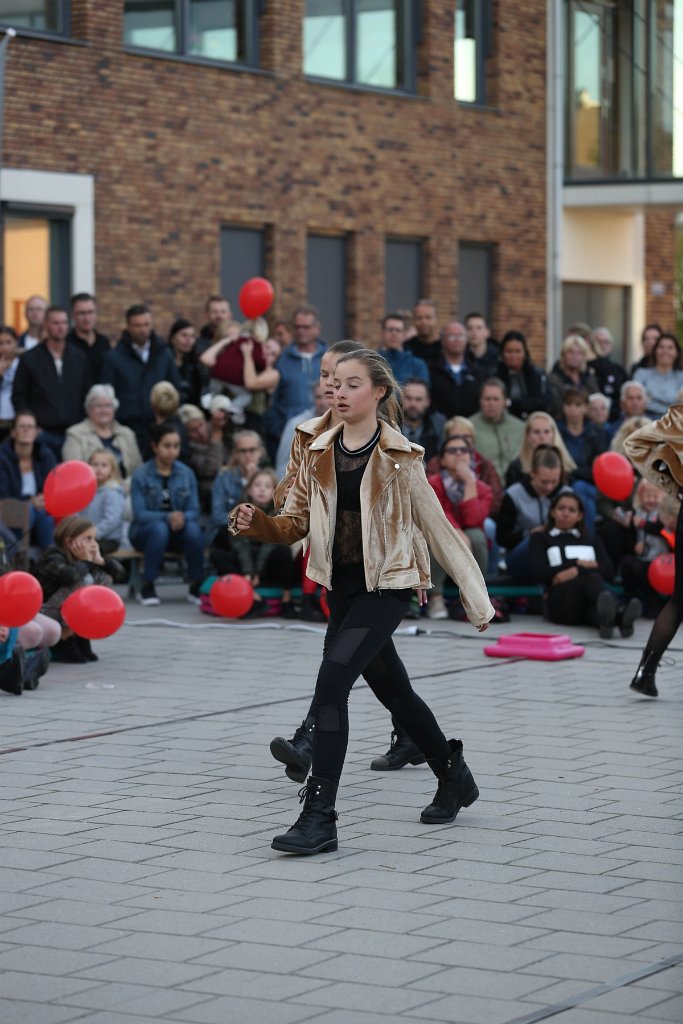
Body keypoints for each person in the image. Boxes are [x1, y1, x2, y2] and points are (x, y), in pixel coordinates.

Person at [230, 348, 494, 855]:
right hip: (343, 588)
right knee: (394, 691)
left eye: (352, 384)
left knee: (331, 687)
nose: (339, 391)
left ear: (378, 393)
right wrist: (259, 523)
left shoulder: (402, 457)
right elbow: (295, 523)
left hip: (389, 587)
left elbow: (440, 530)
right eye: (335, 382)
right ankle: (453, 774)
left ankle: (319, 817)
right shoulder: (316, 449)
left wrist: (475, 599)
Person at [624, 405, 683, 697]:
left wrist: (673, 486)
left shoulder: (680, 416)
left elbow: (634, 443)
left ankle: (644, 672)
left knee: (678, 601)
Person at [529, 491, 640, 639]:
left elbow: (609, 572)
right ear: (553, 512)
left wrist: (575, 571)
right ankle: (620, 615)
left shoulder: (592, 540)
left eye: (572, 510)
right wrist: (577, 564)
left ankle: (610, 622)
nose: (566, 513)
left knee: (596, 606)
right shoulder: (541, 538)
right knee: (592, 579)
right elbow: (540, 573)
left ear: (580, 516)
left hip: (587, 602)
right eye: (561, 508)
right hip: (558, 601)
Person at [130, 423, 204, 607]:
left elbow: (194, 509)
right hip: (145, 533)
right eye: (167, 445)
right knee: (159, 528)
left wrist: (182, 517)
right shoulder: (141, 475)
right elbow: (140, 514)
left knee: (193, 529)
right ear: (155, 446)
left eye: (176, 446)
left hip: (178, 531)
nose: (172, 451)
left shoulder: (187, 474)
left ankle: (196, 583)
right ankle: (148, 584)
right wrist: (168, 517)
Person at [34, 514, 124, 663]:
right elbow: (69, 576)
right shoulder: (53, 555)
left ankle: (81, 635)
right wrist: (86, 561)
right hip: (44, 613)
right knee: (83, 580)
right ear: (69, 542)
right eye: (88, 539)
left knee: (103, 578)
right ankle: (65, 640)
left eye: (94, 539)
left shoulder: (85, 557)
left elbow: (120, 574)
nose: (93, 544)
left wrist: (101, 561)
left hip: (65, 613)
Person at [11, 306, 91, 459]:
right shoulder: (30, 359)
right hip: (42, 434)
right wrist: (32, 427)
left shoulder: (79, 357)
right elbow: (19, 396)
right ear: (46, 326)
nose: (60, 327)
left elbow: (86, 393)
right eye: (55, 323)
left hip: (74, 434)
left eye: (63, 323)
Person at [101, 304, 182, 451]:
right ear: (128, 327)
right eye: (137, 325)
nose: (142, 330)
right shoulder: (114, 358)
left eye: (146, 324)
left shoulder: (164, 354)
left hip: (162, 426)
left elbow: (175, 389)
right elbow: (108, 393)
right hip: (128, 426)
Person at [426, 437, 492, 618]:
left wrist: (470, 483)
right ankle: (436, 597)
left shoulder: (483, 488)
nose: (459, 455)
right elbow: (436, 515)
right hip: (441, 532)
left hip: (468, 536)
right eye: (452, 451)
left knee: (477, 537)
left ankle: (474, 597)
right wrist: (455, 531)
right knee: (438, 538)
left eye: (464, 451)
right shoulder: (433, 483)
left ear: (471, 458)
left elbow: (473, 520)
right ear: (442, 460)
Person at [230, 469, 297, 618]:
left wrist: (258, 572)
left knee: (283, 550)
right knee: (220, 553)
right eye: (257, 485)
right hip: (248, 566)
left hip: (267, 565)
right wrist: (249, 572)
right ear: (249, 490)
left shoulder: (280, 511)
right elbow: (241, 546)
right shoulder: (241, 511)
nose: (262, 489)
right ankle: (253, 597)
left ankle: (287, 600)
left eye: (267, 486)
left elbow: (270, 543)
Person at [496, 445, 570, 580]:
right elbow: (502, 537)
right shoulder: (514, 495)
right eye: (544, 481)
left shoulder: (566, 494)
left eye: (554, 481)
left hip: (558, 552)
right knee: (537, 539)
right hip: (521, 555)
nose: (549, 487)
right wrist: (529, 534)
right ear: (532, 473)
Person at [262, 305, 326, 458]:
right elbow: (272, 399)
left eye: (306, 327)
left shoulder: (330, 358)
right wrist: (279, 431)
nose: (301, 331)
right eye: (297, 327)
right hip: (292, 437)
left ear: (317, 329)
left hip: (326, 435)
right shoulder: (282, 359)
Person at [0, 411, 56, 549]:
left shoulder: (45, 455)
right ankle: (18, 554)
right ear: (13, 432)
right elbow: (3, 493)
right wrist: (30, 501)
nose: (26, 430)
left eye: (30, 427)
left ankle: (50, 559)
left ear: (37, 432)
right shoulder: (2, 457)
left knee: (46, 517)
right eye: (22, 426)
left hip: (41, 508)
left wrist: (44, 498)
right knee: (29, 510)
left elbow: (55, 485)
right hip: (8, 507)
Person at [62, 384, 143, 480]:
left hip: (125, 490)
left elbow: (138, 470)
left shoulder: (127, 434)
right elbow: (73, 472)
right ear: (89, 409)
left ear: (114, 409)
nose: (103, 410)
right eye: (98, 406)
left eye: (108, 406)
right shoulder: (75, 434)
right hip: (90, 490)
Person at [556, 387, 608, 532]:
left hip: (590, 485)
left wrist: (574, 472)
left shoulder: (597, 433)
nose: (572, 410)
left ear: (586, 408)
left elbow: (598, 471)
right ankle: (586, 539)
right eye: (569, 405)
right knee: (585, 501)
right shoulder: (556, 431)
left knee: (580, 488)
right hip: (561, 484)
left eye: (577, 405)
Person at [470, 378, 526, 482]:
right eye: (487, 399)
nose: (491, 403)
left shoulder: (520, 428)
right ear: (480, 401)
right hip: (484, 487)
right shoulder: (469, 427)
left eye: (496, 399)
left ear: (505, 401)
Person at [178, 404, 229, 512]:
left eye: (201, 425)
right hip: (210, 490)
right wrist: (216, 434)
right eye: (194, 430)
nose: (201, 432)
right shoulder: (188, 450)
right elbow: (212, 468)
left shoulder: (216, 426)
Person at [504, 411, 576, 487]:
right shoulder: (516, 468)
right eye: (536, 432)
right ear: (528, 436)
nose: (542, 437)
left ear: (553, 435)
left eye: (546, 432)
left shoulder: (566, 468)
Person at [429, 321, 481, 419]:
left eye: (460, 336)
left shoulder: (477, 372)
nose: (457, 340)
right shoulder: (432, 371)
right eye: (452, 336)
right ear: (443, 340)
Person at [495, 331, 551, 420]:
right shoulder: (495, 376)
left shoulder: (537, 374)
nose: (513, 356)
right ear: (502, 353)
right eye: (509, 351)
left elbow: (543, 401)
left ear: (525, 353)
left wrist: (511, 403)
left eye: (517, 351)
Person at [83, 450, 127, 555]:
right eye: (95, 464)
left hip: (109, 539)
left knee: (88, 550)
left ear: (112, 470)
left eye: (104, 465)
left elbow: (111, 520)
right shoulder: (85, 491)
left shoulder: (113, 492)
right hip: (87, 536)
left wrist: (92, 534)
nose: (99, 468)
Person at [549, 334, 600, 417]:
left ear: (584, 356)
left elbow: (596, 401)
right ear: (563, 355)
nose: (574, 356)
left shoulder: (590, 379)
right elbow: (556, 406)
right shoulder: (553, 379)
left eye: (579, 353)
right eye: (570, 352)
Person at [633, 333, 683, 418]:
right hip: (645, 420)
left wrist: (650, 397)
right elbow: (635, 401)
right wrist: (673, 400)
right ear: (655, 351)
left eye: (670, 348)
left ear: (677, 353)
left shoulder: (681, 377)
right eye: (661, 347)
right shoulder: (641, 374)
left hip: (674, 421)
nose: (665, 351)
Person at [66, 293, 111, 382]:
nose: (87, 318)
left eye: (90, 312)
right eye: (81, 313)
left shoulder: (104, 342)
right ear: (72, 315)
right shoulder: (66, 343)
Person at [377, 312, 429, 385]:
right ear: (382, 333)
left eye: (398, 330)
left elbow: (421, 393)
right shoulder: (372, 363)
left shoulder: (417, 365)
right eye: (390, 330)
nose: (394, 334)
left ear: (404, 335)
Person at [400, 378, 445, 462]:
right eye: (408, 398)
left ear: (428, 401)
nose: (413, 404)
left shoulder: (438, 425)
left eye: (418, 399)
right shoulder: (388, 424)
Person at [589, 326, 628, 422]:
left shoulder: (619, 370)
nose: (603, 345)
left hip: (615, 419)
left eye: (606, 342)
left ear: (611, 345)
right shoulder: (585, 368)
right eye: (599, 342)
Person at [168, 318, 205, 407]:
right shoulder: (164, 362)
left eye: (192, 336)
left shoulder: (195, 365)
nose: (188, 340)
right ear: (173, 338)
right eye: (184, 335)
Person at [404, 299, 441, 364]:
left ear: (436, 319)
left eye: (428, 317)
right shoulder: (406, 348)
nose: (423, 322)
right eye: (419, 318)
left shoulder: (445, 348)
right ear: (414, 320)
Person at [0, 325, 20, 442]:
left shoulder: (23, 365)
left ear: (16, 343)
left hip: (15, 419)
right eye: (1, 343)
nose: (5, 347)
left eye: (8, 342)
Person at [465, 312, 499, 376]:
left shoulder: (498, 358)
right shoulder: (460, 357)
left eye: (478, 328)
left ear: (487, 332)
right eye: (469, 328)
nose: (474, 332)